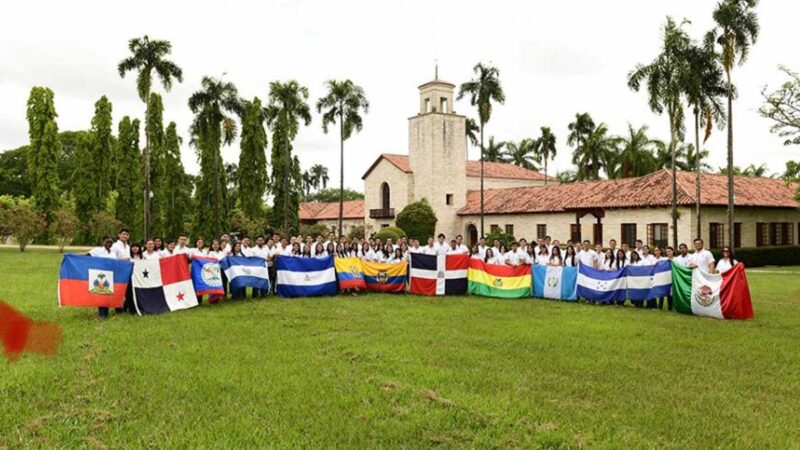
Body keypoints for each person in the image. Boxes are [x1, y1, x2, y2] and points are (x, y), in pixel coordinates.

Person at [89, 236, 117, 319]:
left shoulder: (113, 253)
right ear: (103, 242)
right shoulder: (97, 250)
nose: (109, 244)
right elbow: (86, 256)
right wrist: (72, 256)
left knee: (107, 294)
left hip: (110, 276)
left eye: (110, 242)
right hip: (99, 275)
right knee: (101, 294)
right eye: (107, 242)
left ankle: (106, 313)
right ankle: (101, 314)